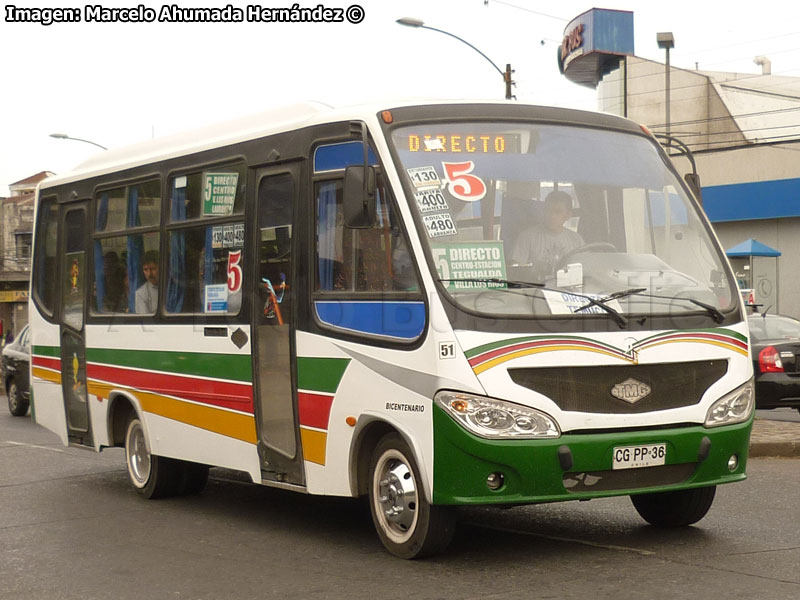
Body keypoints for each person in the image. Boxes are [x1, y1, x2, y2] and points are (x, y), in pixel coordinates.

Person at [511, 190, 584, 281]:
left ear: (568, 215)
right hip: (535, 292)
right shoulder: (527, 237)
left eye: (558, 212)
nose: (552, 215)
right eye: (548, 210)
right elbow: (516, 274)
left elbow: (585, 273)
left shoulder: (577, 241)